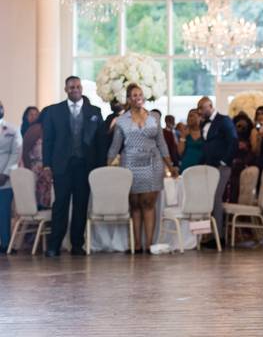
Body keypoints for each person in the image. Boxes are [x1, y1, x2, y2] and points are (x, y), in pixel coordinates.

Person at [108, 85, 177, 253]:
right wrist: (107, 167)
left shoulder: (154, 117)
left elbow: (161, 143)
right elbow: (115, 146)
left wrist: (170, 165)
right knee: (135, 204)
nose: (137, 97)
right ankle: (137, 244)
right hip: (130, 164)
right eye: (133, 95)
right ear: (129, 99)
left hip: (152, 163)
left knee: (148, 203)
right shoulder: (122, 120)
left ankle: (149, 244)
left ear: (143, 97)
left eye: (140, 94)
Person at [41, 76, 105, 257]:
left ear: (82, 88)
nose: (74, 89)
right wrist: (46, 164)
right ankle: (54, 245)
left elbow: (100, 142)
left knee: (81, 205)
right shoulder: (54, 111)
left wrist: (100, 166)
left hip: (85, 165)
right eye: (71, 87)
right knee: (60, 204)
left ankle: (77, 244)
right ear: (66, 89)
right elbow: (48, 140)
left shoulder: (94, 111)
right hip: (62, 165)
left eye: (77, 86)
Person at [197, 96, 237, 244]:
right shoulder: (203, 124)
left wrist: (224, 161)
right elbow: (206, 146)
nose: (200, 111)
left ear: (210, 106)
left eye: (202, 108)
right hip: (208, 166)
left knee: (215, 198)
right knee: (207, 199)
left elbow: (233, 141)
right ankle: (205, 235)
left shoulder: (224, 120)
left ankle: (218, 237)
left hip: (221, 166)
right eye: (198, 108)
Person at [0, 100, 22, 253]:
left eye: (0, 106)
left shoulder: (12, 129)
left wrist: (5, 173)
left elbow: (16, 152)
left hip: (4, 178)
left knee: (4, 212)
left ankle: (6, 244)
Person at [19, 106, 52, 209]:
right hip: (35, 169)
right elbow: (25, 152)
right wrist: (30, 172)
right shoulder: (35, 129)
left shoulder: (49, 129)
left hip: (46, 168)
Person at [228, 111, 257, 203]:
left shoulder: (251, 136)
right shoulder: (231, 136)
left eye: (243, 127)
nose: (241, 129)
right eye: (239, 126)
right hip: (233, 165)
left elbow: (254, 150)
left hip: (246, 163)